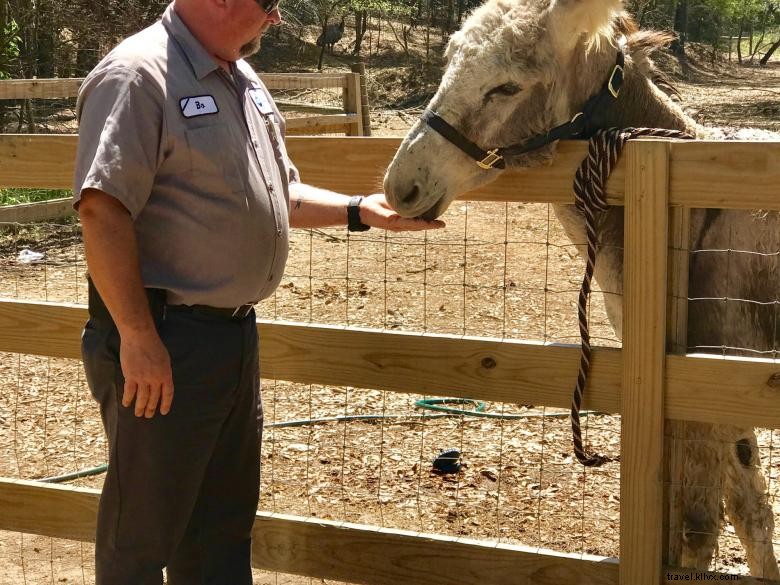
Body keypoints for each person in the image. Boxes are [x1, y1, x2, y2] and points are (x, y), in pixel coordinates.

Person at [73, 1, 443, 583]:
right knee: (140, 538)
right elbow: (102, 209)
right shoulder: (137, 75)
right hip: (164, 340)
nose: (275, 18)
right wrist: (138, 337)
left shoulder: (240, 78)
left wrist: (358, 210)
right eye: (267, 3)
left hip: (230, 338)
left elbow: (280, 192)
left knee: (219, 529)